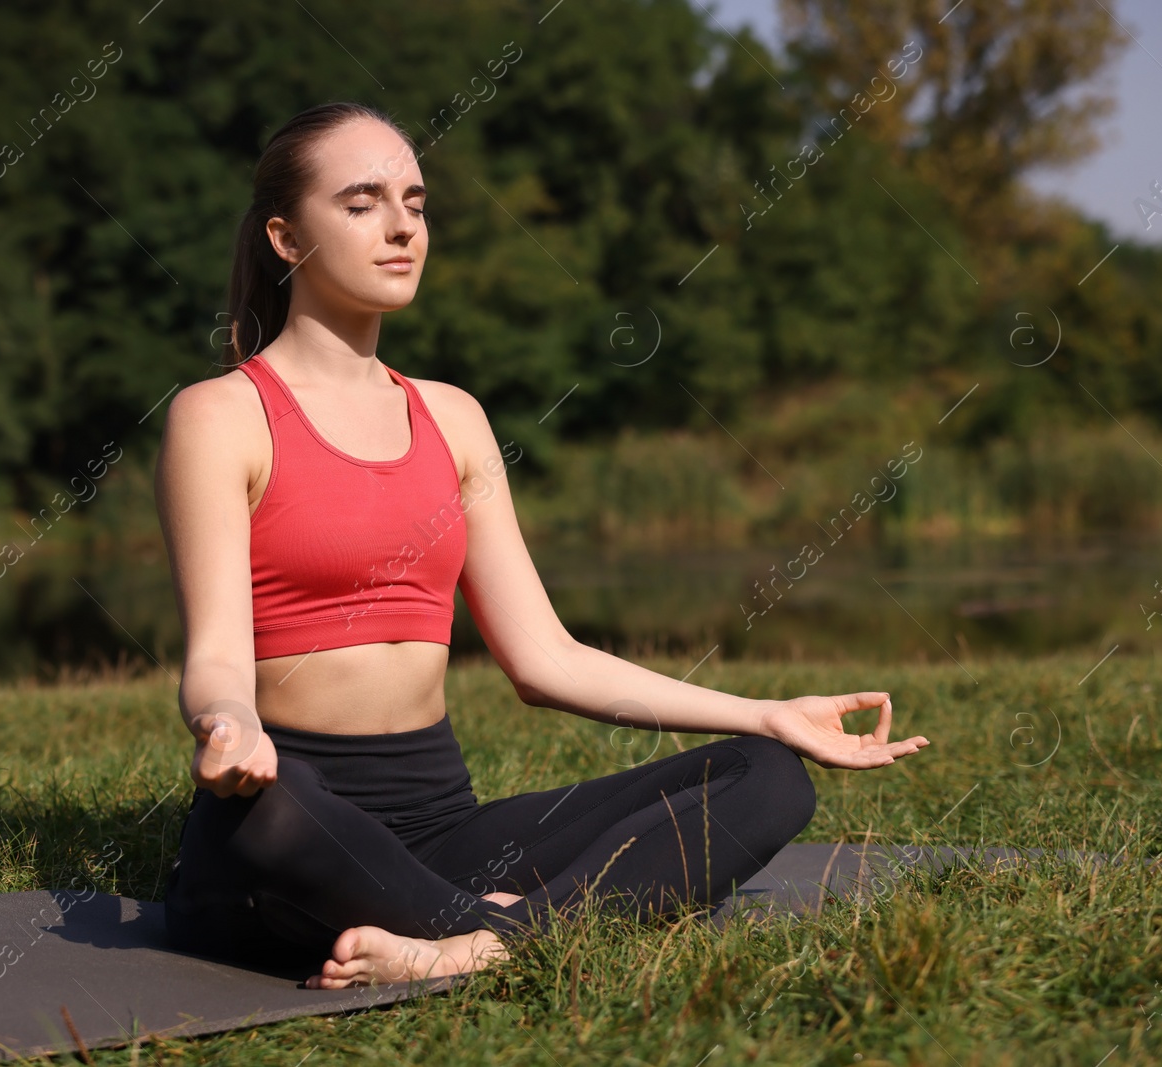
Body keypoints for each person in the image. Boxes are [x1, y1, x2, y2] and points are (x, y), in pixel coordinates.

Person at [154, 102, 929, 990]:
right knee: (273, 810)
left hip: (445, 833)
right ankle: (530, 924)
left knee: (768, 776)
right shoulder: (220, 416)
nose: (404, 224)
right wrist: (232, 721)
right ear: (287, 238)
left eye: (416, 200)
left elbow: (545, 657)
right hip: (294, 824)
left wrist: (763, 710)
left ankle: (470, 945)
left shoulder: (453, 418)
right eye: (363, 202)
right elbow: (215, 656)